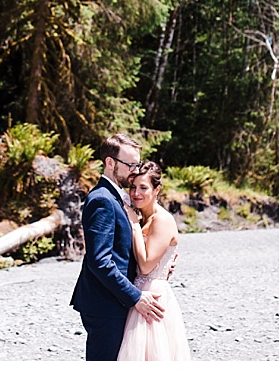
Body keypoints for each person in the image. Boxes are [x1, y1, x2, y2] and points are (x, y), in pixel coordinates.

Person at [71, 133, 165, 361]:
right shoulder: (102, 200)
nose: (135, 170)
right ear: (110, 162)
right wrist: (136, 297)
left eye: (138, 164)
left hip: (114, 301)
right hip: (105, 305)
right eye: (130, 164)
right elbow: (100, 261)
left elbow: (124, 248)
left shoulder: (120, 197)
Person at [117, 161, 192, 360]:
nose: (136, 193)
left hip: (153, 296)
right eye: (133, 187)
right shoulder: (142, 217)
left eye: (143, 187)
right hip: (139, 293)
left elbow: (146, 265)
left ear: (157, 189)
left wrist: (133, 226)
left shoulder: (162, 220)